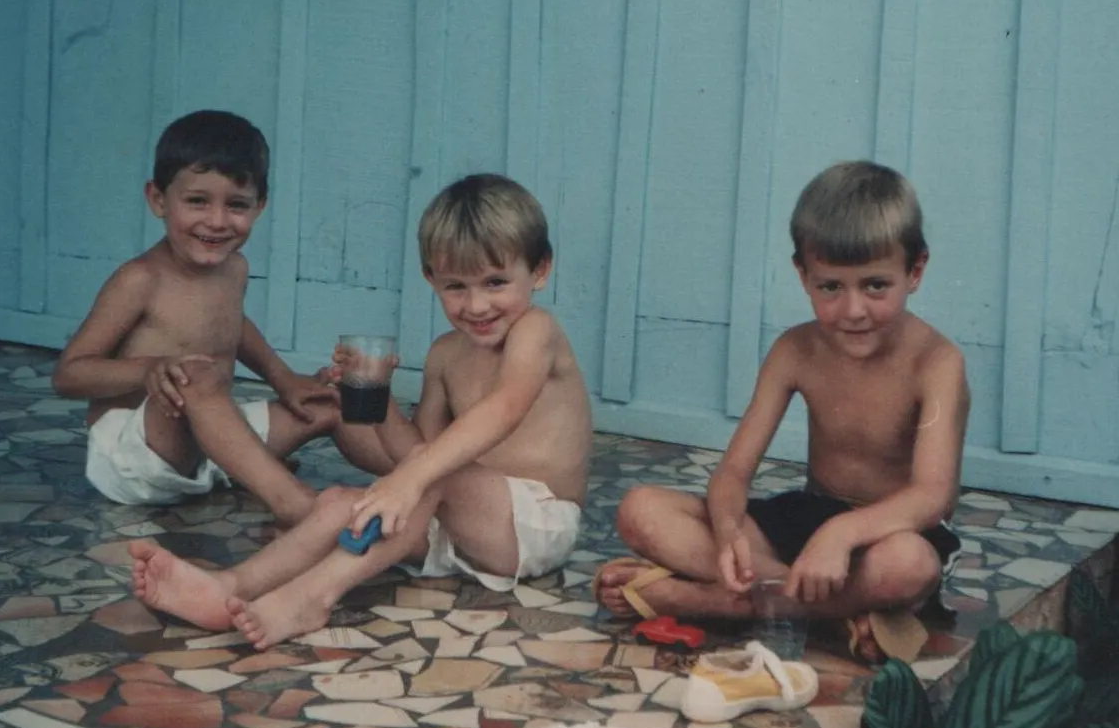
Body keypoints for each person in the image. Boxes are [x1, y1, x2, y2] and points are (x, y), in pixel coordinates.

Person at [124, 173, 593, 648]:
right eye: (455, 286)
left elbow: (505, 408)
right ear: (430, 278)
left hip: (537, 525)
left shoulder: (536, 330)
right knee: (341, 504)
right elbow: (415, 451)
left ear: (539, 270)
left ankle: (312, 597)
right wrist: (379, 400)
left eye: (495, 282)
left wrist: (410, 480)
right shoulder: (445, 354)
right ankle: (229, 586)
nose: (476, 304)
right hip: (465, 528)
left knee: (426, 476)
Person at [595, 161, 969, 663]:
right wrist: (728, 535)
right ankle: (834, 611)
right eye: (830, 287)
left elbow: (932, 496)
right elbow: (733, 473)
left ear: (915, 271)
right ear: (803, 275)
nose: (853, 310)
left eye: (875, 285)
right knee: (640, 509)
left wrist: (842, 535)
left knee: (910, 565)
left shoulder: (937, 362)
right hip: (808, 519)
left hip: (894, 530)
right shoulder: (795, 350)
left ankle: (714, 603)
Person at [52, 110, 382, 526]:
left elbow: (231, 326)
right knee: (193, 376)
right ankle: (290, 499)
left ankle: (421, 479)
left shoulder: (234, 268)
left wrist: (284, 379)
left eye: (237, 205)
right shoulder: (140, 279)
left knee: (329, 403)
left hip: (208, 451)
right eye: (197, 201)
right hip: (139, 456)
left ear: (260, 207)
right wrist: (151, 370)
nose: (217, 221)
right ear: (158, 199)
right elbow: (69, 375)